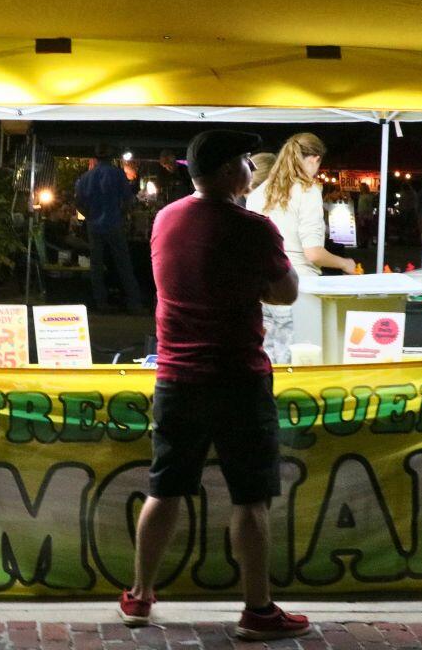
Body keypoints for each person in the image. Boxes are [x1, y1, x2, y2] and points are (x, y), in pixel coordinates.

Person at [120, 129, 309, 640]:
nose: (252, 167)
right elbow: (287, 293)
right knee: (250, 498)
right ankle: (257, 610)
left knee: (166, 487)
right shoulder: (254, 227)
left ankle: (139, 597)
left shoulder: (165, 219)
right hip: (237, 379)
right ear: (231, 172)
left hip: (177, 378)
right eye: (247, 160)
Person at [246, 132, 357, 363]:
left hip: (262, 288)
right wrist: (345, 263)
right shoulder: (307, 191)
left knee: (267, 359)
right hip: (297, 288)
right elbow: (313, 253)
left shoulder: (258, 193)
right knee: (296, 362)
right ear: (314, 159)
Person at [74, 144, 144, 313]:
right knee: (123, 264)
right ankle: (134, 303)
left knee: (96, 265)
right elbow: (128, 200)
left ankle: (101, 303)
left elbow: (78, 202)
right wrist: (121, 214)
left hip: (94, 225)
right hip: (114, 222)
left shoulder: (85, 177)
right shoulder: (117, 174)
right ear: (111, 157)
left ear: (96, 158)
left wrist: (89, 215)